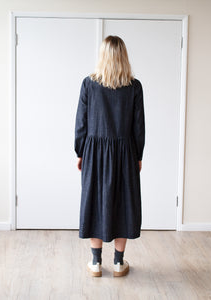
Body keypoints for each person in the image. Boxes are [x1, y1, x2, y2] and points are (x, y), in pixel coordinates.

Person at [74, 35, 145, 277]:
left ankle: (95, 263)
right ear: (123, 56)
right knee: (123, 202)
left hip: (94, 152)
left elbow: (81, 124)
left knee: (94, 199)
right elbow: (138, 127)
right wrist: (138, 155)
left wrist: (80, 151)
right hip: (125, 152)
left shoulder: (89, 84)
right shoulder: (134, 87)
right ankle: (118, 263)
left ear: (102, 56)